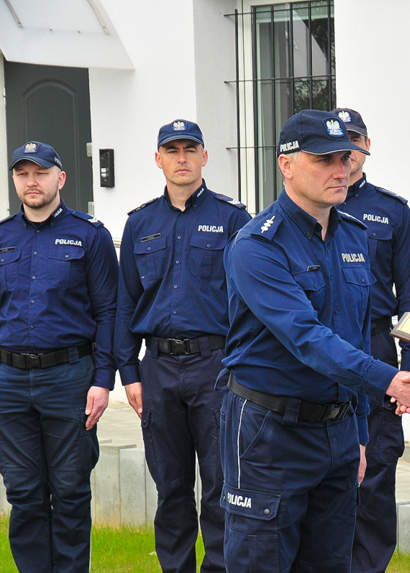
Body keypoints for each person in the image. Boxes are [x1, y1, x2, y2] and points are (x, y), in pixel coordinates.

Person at [219, 109, 410, 573]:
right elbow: (307, 338)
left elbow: (358, 336)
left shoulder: (356, 237)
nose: (340, 170)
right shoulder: (258, 245)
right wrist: (395, 383)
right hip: (270, 432)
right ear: (286, 165)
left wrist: (359, 434)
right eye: (324, 159)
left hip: (338, 433)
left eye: (346, 158)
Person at [114, 120, 251, 572]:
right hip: (158, 369)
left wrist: (240, 369)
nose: (181, 158)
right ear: (158, 160)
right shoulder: (139, 223)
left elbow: (249, 301)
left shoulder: (234, 219)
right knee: (171, 487)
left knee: (219, 484)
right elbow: (126, 302)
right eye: (171, 150)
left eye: (190, 149)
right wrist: (129, 374)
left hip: (216, 367)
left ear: (205, 157)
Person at [0, 141, 117, 572]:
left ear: (60, 178)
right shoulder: (1, 237)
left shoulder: (91, 236)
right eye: (23, 174)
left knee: (69, 491)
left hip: (69, 378)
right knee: (24, 494)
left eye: (41, 173)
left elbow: (109, 312)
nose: (32, 182)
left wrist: (103, 380)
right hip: (9, 384)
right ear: (15, 180)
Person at [330, 107, 410, 573]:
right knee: (324, 470)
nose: (346, 154)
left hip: (375, 347)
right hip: (321, 349)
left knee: (376, 473)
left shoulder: (392, 211)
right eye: (338, 143)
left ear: (366, 148)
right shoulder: (307, 205)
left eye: (355, 142)